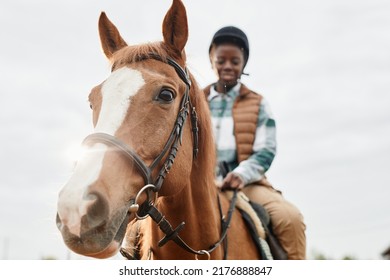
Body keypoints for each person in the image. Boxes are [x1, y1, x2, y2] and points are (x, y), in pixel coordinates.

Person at [204, 26, 306, 259]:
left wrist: (241, 174)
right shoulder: (194, 100)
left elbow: (266, 150)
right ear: (212, 60)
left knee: (290, 219)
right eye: (221, 60)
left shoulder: (258, 103)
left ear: (244, 64)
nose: (228, 66)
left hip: (246, 184)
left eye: (235, 61)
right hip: (201, 183)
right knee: (139, 224)